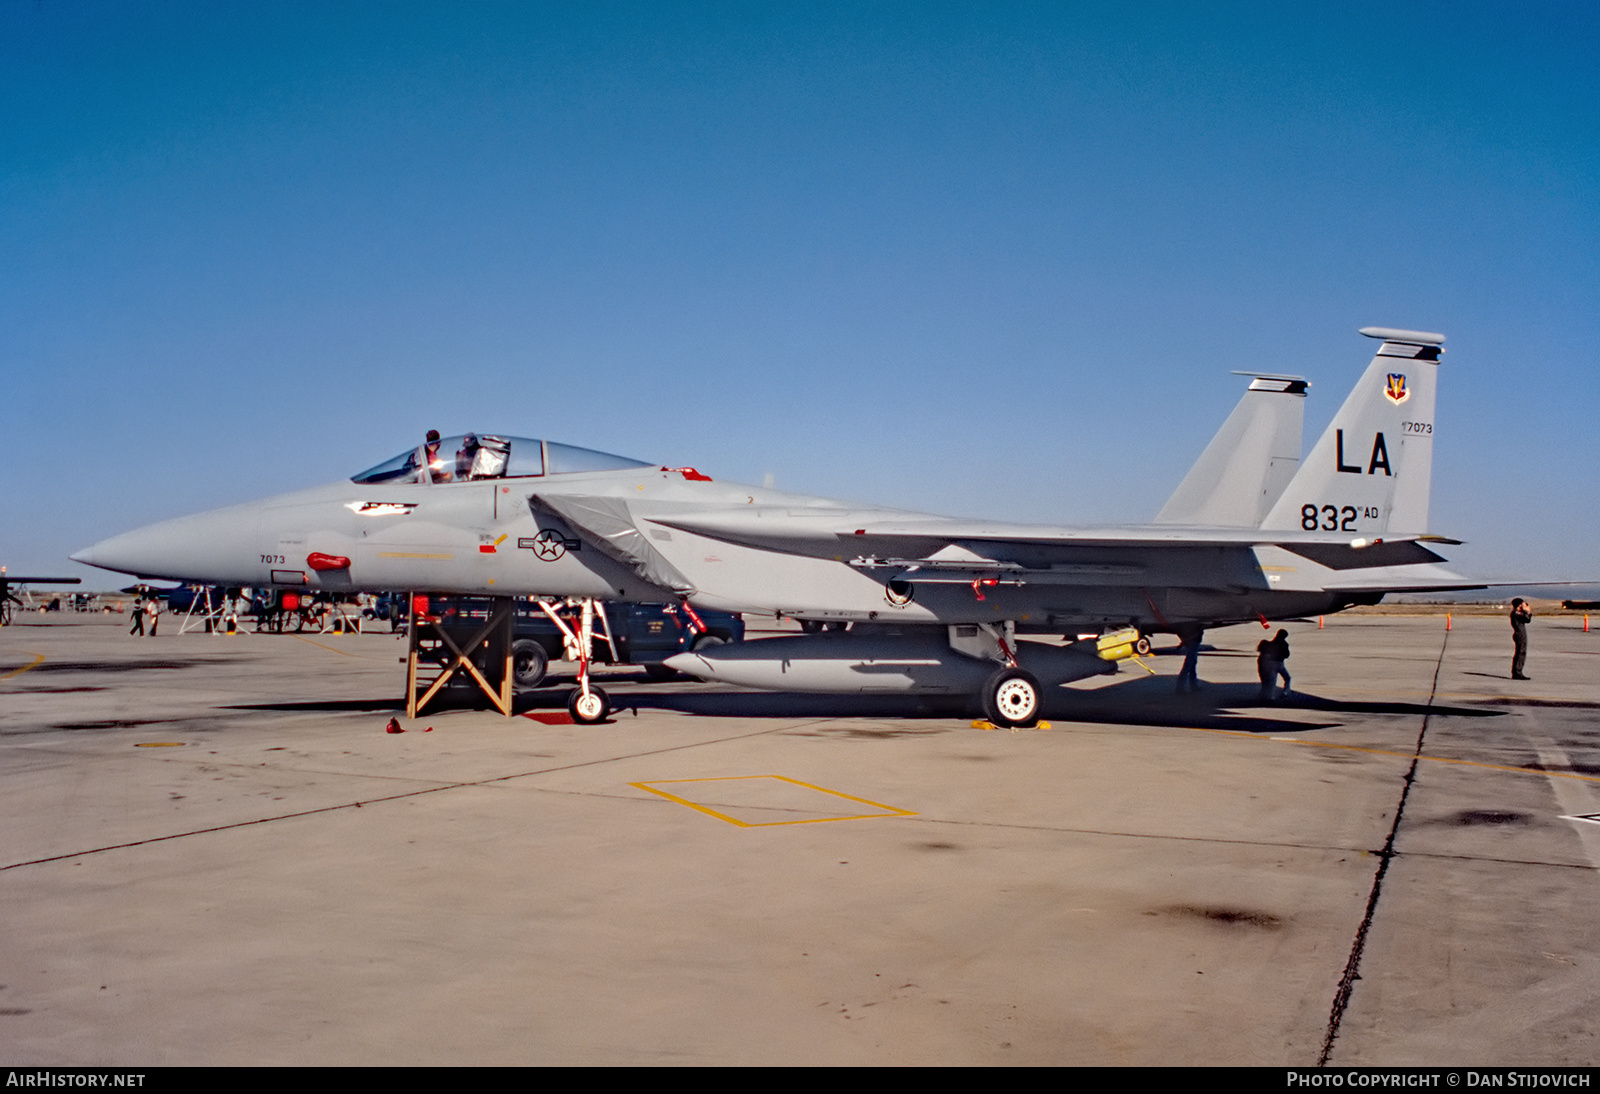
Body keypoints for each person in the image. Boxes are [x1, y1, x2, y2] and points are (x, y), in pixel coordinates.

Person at [1257, 628, 1291, 701]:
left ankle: (1269, 696)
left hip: (1270, 664)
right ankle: (1285, 692)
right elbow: (1287, 654)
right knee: (1287, 678)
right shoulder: (1284, 644)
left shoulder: (1271, 643)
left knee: (1271, 681)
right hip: (1279, 663)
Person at [1175, 625, 1203, 693]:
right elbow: (1198, 631)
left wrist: (1184, 641)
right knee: (1188, 664)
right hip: (1193, 642)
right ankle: (1180, 686)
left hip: (1191, 641)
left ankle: (1193, 684)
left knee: (1192, 663)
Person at [1510, 598, 1532, 680]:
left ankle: (1517, 671)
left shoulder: (1517, 613)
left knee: (1521, 652)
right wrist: (1528, 612)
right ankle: (1517, 672)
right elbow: (1527, 619)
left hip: (1520, 634)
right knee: (1521, 653)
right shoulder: (1516, 613)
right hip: (1520, 635)